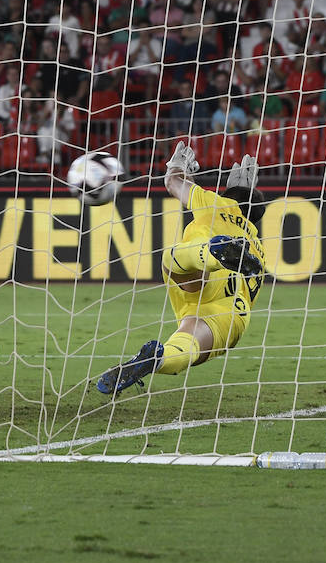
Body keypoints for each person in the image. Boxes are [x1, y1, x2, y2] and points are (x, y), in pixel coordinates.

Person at [96, 145, 268, 394]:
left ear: (228, 195)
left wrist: (177, 166)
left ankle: (210, 253)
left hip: (202, 280)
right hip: (232, 315)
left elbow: (173, 183)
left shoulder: (216, 205)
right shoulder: (258, 247)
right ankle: (156, 359)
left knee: (171, 257)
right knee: (186, 348)